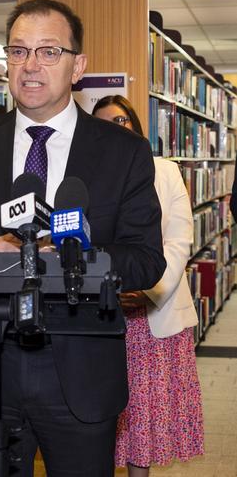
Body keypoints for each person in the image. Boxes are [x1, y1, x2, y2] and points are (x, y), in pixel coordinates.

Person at [0, 0, 166, 476]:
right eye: (19, 51)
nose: (30, 66)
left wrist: (72, 258)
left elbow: (146, 261)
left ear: (77, 66)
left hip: (80, 367)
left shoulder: (124, 152)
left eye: (48, 51)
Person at [92, 95, 204, 476]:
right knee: (103, 415)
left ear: (136, 128)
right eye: (103, 123)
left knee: (145, 418)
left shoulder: (165, 171)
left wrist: (146, 287)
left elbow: (178, 241)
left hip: (155, 311)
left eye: (120, 122)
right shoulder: (84, 179)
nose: (112, 129)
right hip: (102, 313)